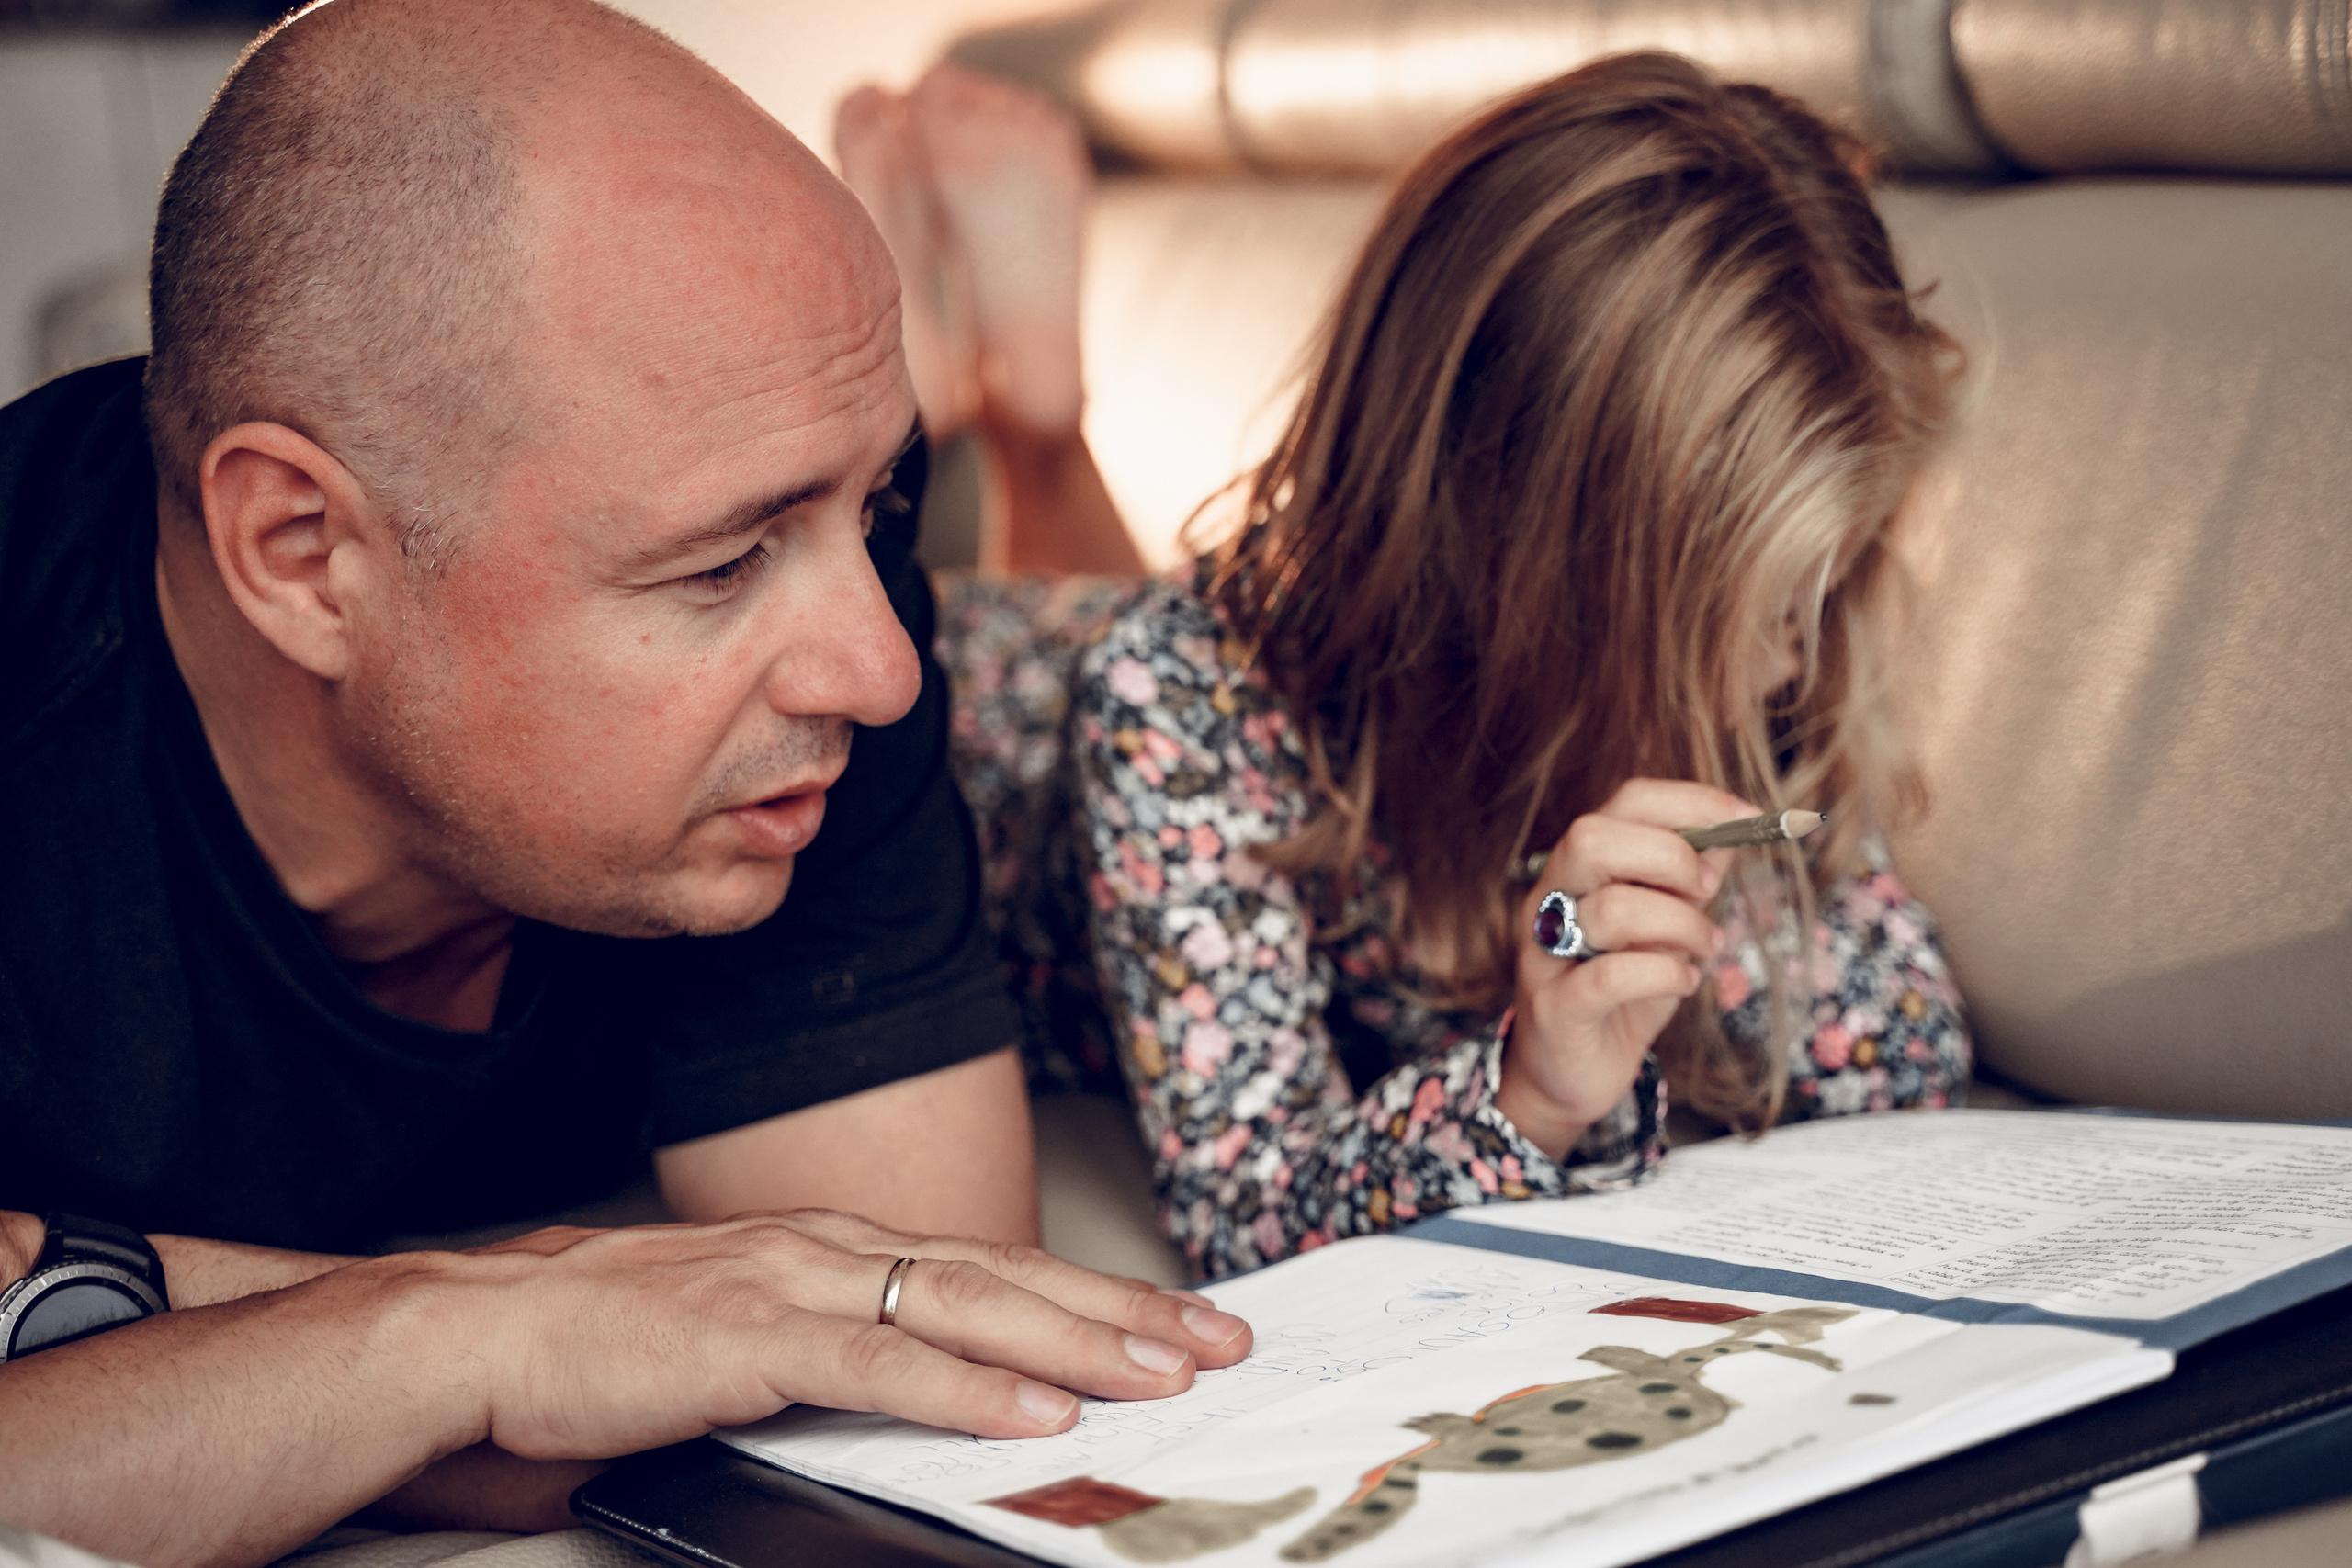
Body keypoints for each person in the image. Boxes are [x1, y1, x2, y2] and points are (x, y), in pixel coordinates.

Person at [0, 3, 1252, 1563]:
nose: (878, 672)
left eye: (870, 505)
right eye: (723, 559)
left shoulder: (811, 665)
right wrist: (467, 1335)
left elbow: (898, 1386)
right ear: (306, 557)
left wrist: (105, 1311)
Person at [853, 54, 1972, 1281]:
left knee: (1146, 627)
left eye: (1824, 587)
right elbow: (1243, 1208)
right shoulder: (1183, 706)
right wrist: (1529, 1089)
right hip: (991, 734)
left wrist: (1718, 928)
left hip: (1188, 656)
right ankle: (946, 416)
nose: (1791, 664)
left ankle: (1008, 409)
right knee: (1084, 640)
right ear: (1539, 574)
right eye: (1748, 615)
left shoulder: (1766, 655)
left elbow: (1906, 1055)